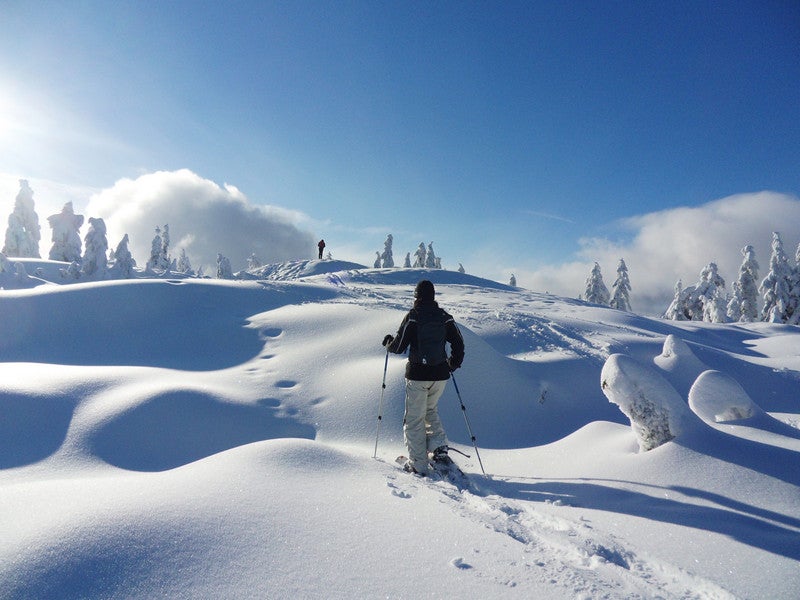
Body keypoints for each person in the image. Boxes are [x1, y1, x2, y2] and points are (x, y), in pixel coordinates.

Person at [382, 280, 465, 475]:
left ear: (417, 296)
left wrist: (388, 343)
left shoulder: (413, 317)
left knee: (414, 419)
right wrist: (451, 365)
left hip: (418, 375)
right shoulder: (445, 317)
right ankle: (438, 450)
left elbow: (399, 346)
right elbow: (459, 345)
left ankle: (418, 464)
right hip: (440, 376)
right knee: (430, 409)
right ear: (433, 296)